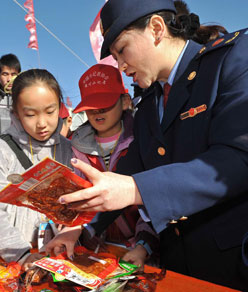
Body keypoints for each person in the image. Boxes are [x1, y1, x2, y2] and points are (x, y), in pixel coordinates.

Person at [47, 0, 248, 290]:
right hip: (175, 267)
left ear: (157, 29)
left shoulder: (242, 56)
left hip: (239, 266)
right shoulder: (150, 103)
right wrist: (80, 227)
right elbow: (126, 174)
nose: (120, 66)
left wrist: (135, 189)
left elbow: (241, 158)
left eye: (122, 50)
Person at [49, 64, 158, 268]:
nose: (98, 111)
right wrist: (71, 229)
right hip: (94, 249)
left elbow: (154, 196)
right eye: (90, 107)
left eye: (105, 104)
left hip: (143, 248)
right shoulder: (76, 148)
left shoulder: (143, 139)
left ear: (125, 101)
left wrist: (145, 244)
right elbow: (75, 201)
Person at [0, 69, 73, 271]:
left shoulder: (68, 148)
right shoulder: (0, 149)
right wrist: (20, 254)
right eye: (30, 115)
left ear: (60, 107)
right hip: (5, 255)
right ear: (15, 113)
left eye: (50, 112)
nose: (42, 123)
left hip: (50, 255)